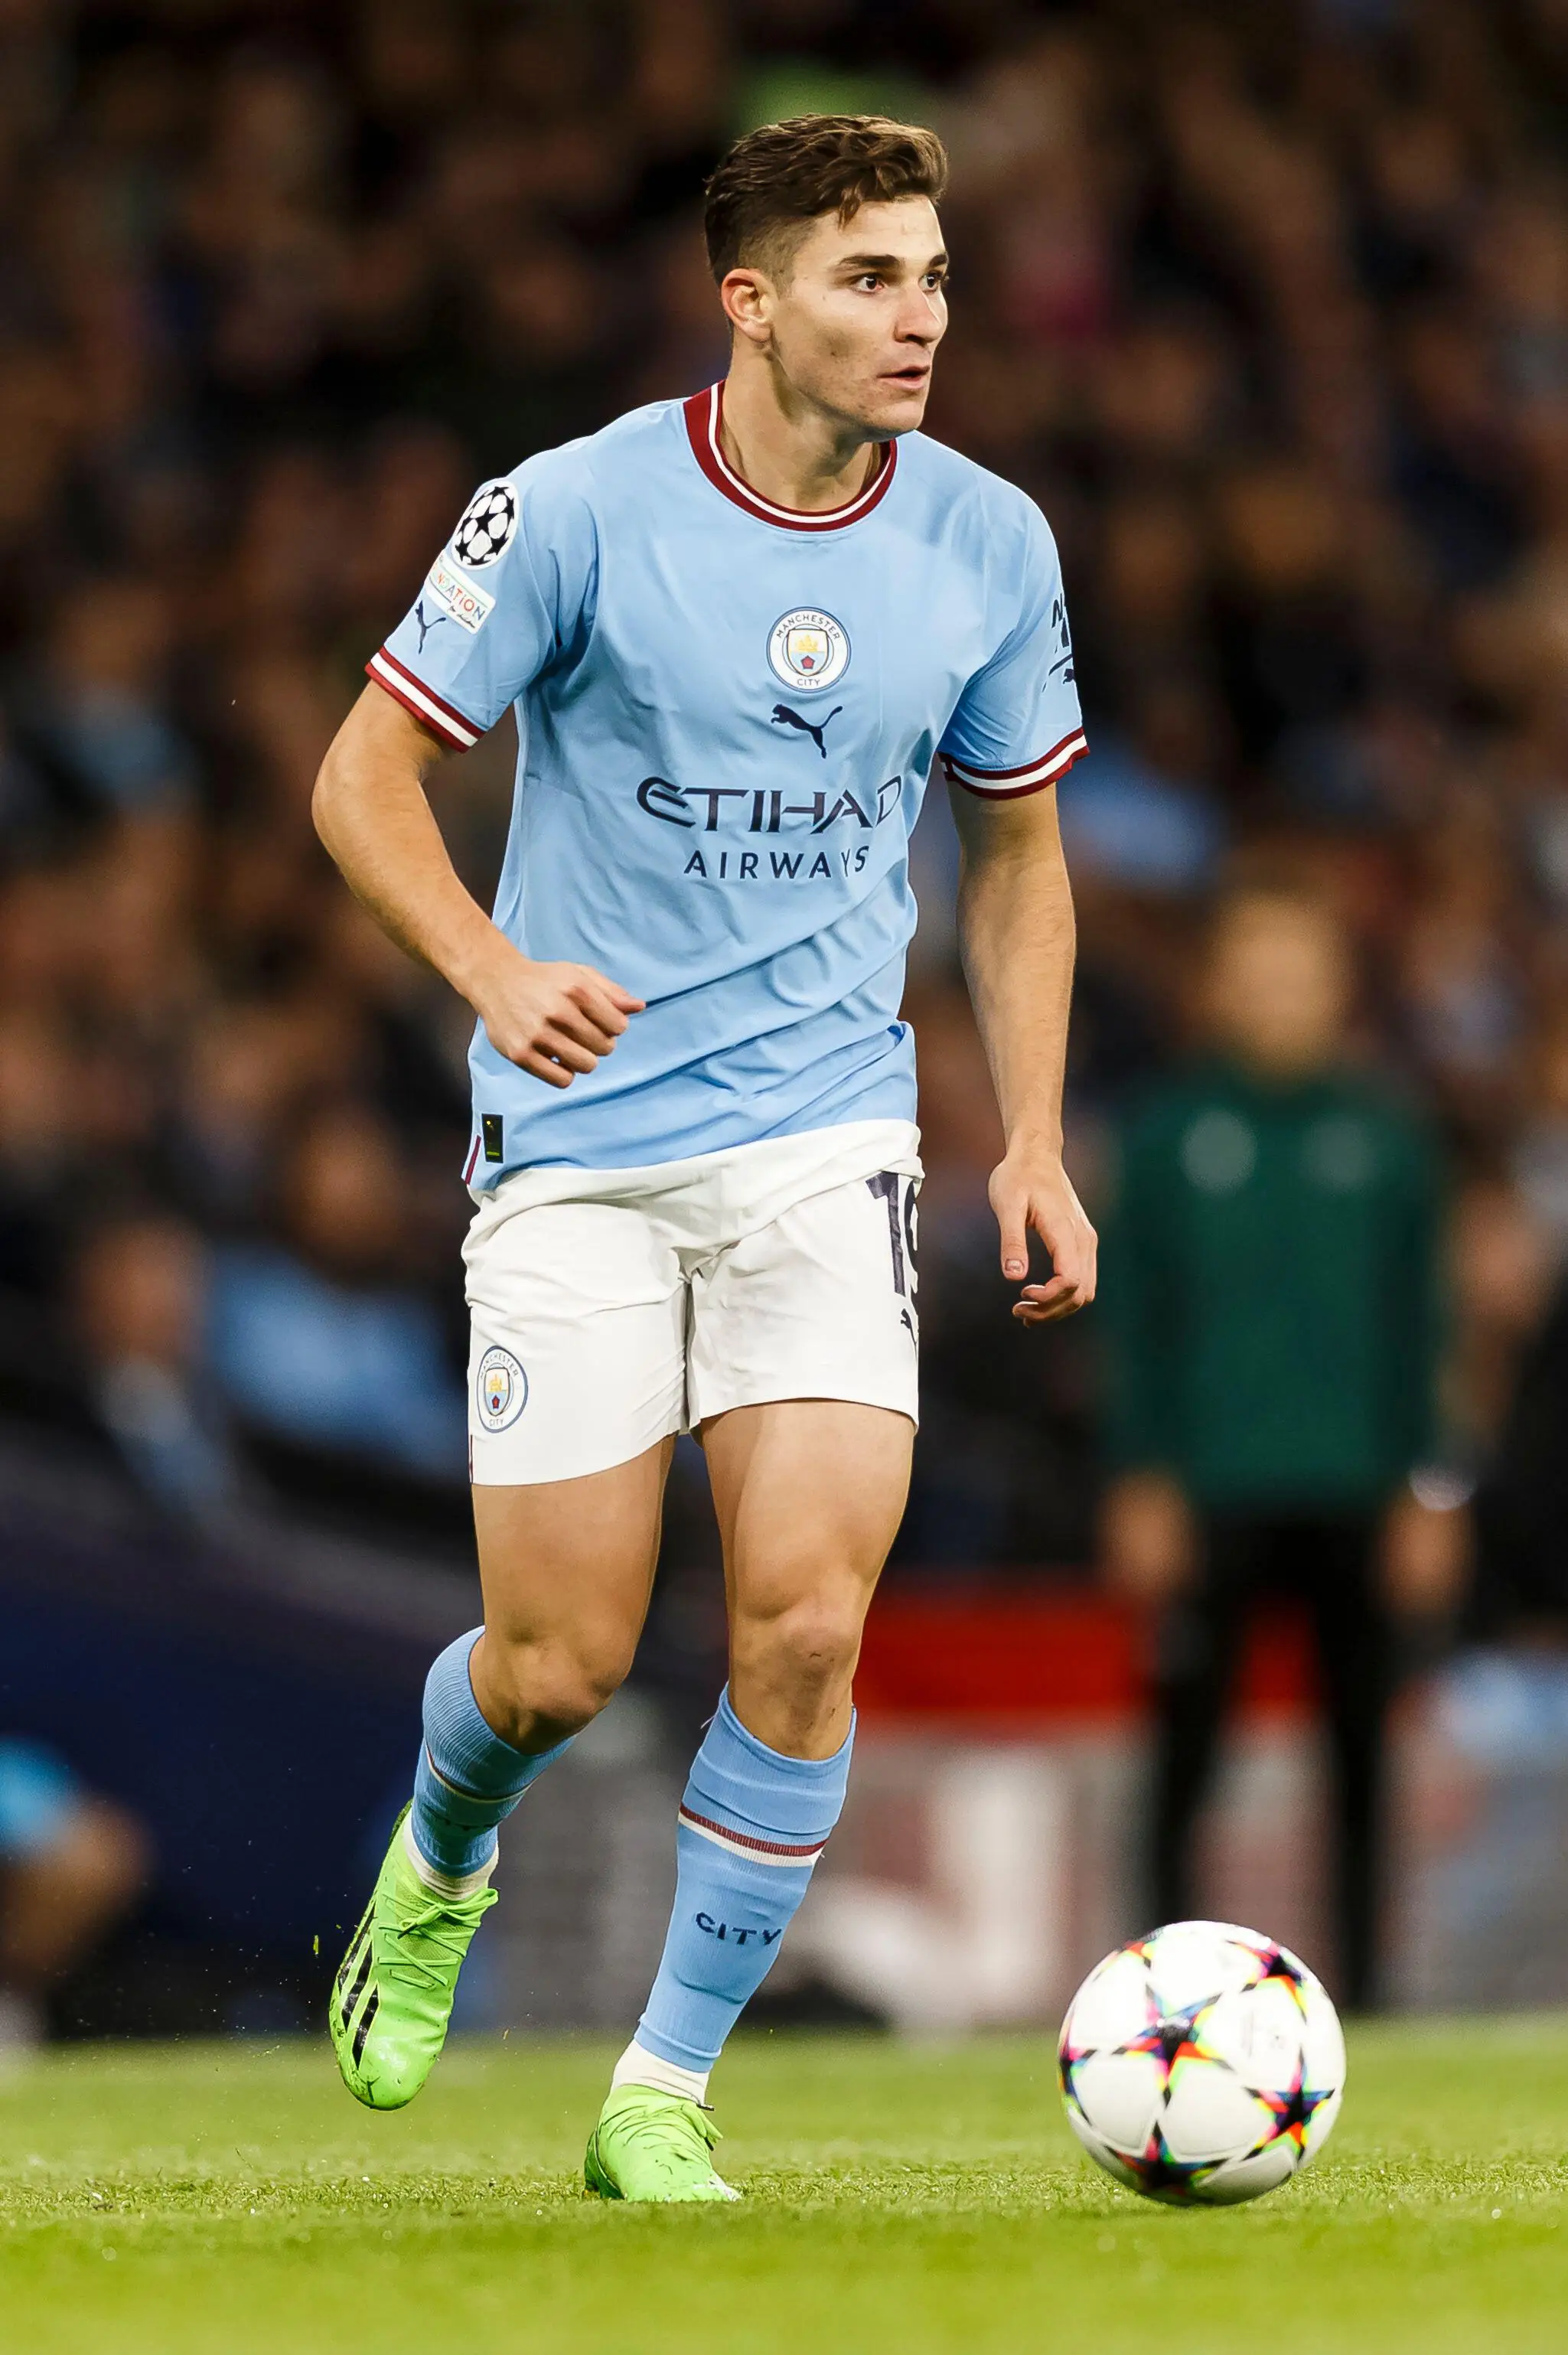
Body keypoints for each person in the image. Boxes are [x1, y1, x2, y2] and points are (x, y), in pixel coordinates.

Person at [311, 113, 1096, 2199]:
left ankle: (660, 2085)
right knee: (558, 1662)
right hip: (576, 1142)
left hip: (828, 1136)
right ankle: (439, 1846)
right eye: (867, 277)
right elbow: (361, 769)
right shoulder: (567, 512)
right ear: (746, 300)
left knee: (811, 1625)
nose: (918, 314)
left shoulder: (990, 544)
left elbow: (1019, 857)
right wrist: (487, 963)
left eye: (930, 273)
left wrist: (1028, 1132)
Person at [1099, 880, 1458, 2011]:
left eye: (1299, 969)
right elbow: (1133, 1329)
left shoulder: (1389, 1140)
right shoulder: (1166, 1141)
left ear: (1337, 986)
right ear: (1218, 985)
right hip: (1210, 1490)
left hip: (1359, 1488)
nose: (1278, 991)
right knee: (1184, 1760)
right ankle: (1154, 1996)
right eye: (1256, 967)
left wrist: (1432, 1490)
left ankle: (1374, 1995)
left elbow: (1428, 1330)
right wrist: (1139, 1476)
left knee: (1362, 1761)